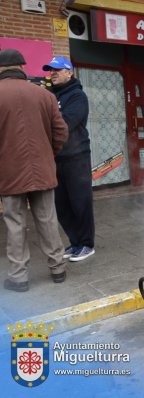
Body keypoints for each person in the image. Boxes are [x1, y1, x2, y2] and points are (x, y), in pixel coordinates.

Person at [0, 49, 69, 292]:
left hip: (8, 171)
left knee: (15, 223)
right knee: (48, 219)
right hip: (42, 168)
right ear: (22, 66)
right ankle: (58, 268)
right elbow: (61, 132)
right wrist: (49, 154)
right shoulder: (45, 95)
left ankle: (19, 277)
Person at [42, 56, 95, 262]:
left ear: (69, 72)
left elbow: (66, 122)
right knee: (61, 204)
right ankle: (75, 243)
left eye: (57, 69)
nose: (52, 73)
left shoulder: (77, 96)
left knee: (80, 202)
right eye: (50, 70)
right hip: (56, 158)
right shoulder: (49, 96)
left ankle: (87, 244)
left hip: (77, 157)